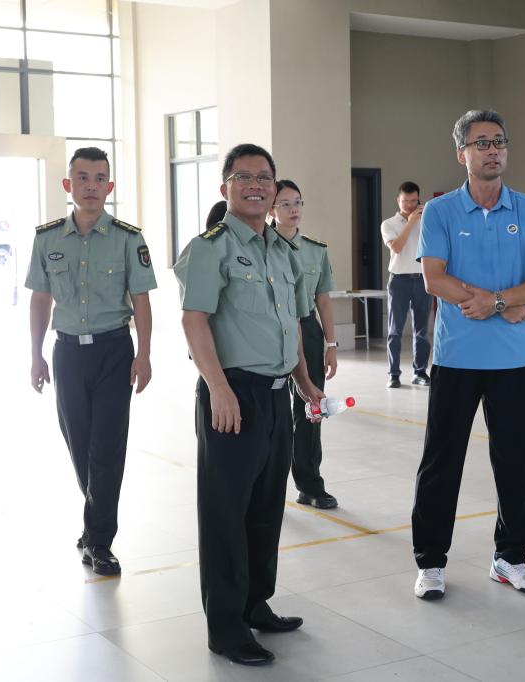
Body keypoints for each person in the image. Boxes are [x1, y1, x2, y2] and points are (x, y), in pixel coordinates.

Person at [174, 143, 326, 667]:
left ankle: (255, 603)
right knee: (226, 515)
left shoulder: (283, 250)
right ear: (225, 188)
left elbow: (295, 324)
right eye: (243, 177)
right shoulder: (209, 248)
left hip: (278, 396)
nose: (255, 185)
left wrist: (304, 381)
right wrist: (218, 388)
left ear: (275, 188)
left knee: (265, 509)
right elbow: (194, 320)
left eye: (264, 177)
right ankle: (226, 627)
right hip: (232, 395)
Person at [411, 109, 525, 600]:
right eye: (481, 143)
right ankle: (431, 562)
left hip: (514, 359)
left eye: (499, 141)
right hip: (456, 357)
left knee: (514, 460)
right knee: (442, 461)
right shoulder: (440, 212)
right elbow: (434, 278)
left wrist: (497, 302)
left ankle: (511, 557)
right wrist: (507, 304)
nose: (492, 150)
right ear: (462, 154)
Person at [26, 146, 156, 576]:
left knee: (107, 449)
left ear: (110, 186)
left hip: (114, 352)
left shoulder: (128, 238)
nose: (91, 186)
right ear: (68, 184)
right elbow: (40, 299)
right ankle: (94, 522)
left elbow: (141, 300)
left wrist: (144, 354)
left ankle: (99, 541)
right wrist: (36, 355)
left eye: (100, 178)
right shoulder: (47, 239)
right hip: (67, 354)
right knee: (79, 445)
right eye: (82, 177)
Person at [269, 179, 340, 510]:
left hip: (307, 330)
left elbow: (323, 299)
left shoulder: (315, 250)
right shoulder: (260, 246)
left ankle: (310, 484)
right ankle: (267, 487)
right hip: (269, 331)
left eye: (297, 202)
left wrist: (331, 344)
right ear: (271, 209)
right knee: (271, 412)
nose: (293, 209)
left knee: (311, 409)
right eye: (285, 204)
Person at [381, 181, 433, 388]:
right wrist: (411, 222)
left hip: (422, 279)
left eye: (414, 201)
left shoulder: (426, 221)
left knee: (422, 330)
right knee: (395, 330)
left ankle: (420, 372)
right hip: (399, 281)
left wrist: (423, 218)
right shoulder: (388, 224)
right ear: (398, 200)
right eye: (405, 201)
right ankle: (393, 374)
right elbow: (396, 247)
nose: (410, 205)